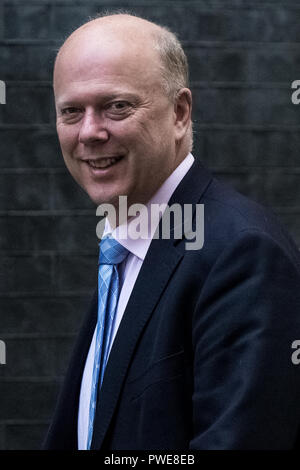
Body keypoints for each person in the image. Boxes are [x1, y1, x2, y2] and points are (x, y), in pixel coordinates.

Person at [43, 13, 300, 450]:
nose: (89, 132)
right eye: (71, 111)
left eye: (117, 106)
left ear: (180, 113)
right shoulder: (124, 243)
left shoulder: (241, 253)